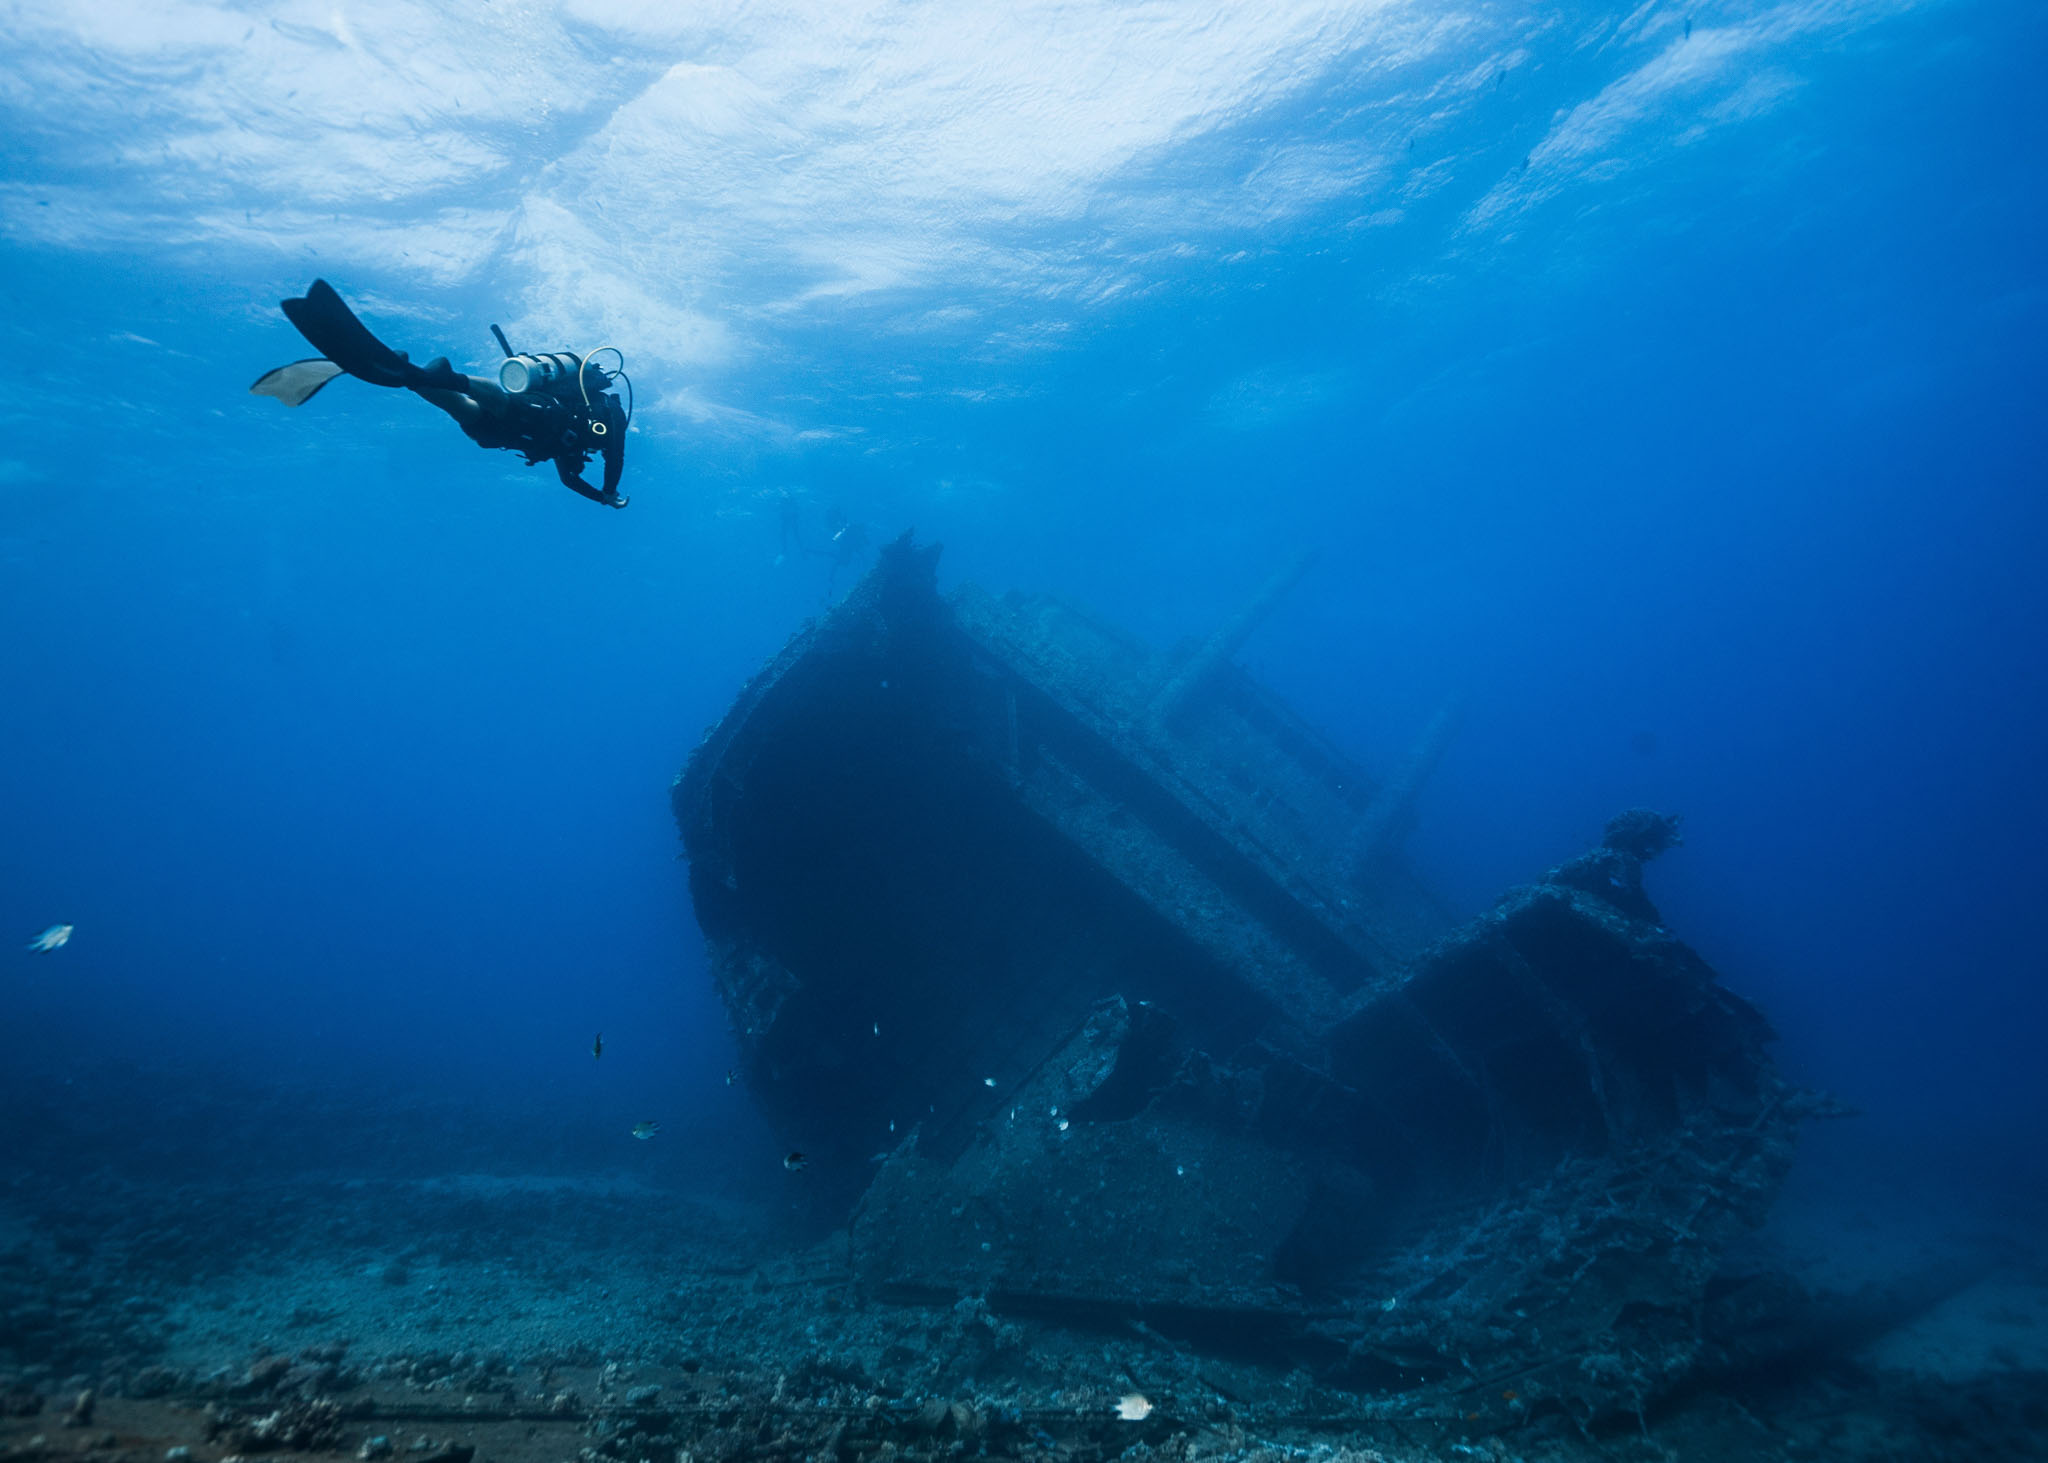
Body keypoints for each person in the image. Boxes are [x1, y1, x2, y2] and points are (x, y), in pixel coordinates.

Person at [251, 279, 632, 508]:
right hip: (539, 418)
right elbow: (615, 453)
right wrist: (608, 492)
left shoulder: (574, 447)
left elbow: (568, 479)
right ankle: (444, 377)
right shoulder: (609, 412)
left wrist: (599, 495)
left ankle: (411, 375)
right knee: (493, 404)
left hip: (520, 436)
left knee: (467, 413)